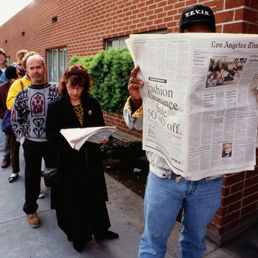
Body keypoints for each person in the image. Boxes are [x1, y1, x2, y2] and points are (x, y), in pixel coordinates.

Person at [124, 4, 224, 258]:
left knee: (195, 243)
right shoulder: (158, 70)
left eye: (204, 32)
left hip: (208, 178)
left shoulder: (223, 70)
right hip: (165, 177)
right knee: (152, 243)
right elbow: (134, 125)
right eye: (190, 33)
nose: (197, 38)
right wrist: (136, 100)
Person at [46, 65, 118, 253]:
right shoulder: (56, 106)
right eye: (71, 87)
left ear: (85, 86)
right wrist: (70, 136)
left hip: (91, 160)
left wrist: (105, 138)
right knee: (73, 200)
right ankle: (78, 236)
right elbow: (51, 135)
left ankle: (101, 229)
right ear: (65, 84)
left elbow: (100, 128)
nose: (75, 92)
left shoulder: (91, 103)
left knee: (95, 197)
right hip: (69, 163)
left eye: (79, 88)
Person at [11, 55, 60, 228]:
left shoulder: (56, 92)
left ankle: (61, 207)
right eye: (31, 68)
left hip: (52, 142)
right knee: (31, 178)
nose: (35, 71)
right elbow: (15, 120)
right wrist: (23, 139)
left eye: (38, 67)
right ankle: (30, 210)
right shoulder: (22, 95)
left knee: (56, 174)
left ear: (44, 69)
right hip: (31, 141)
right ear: (27, 70)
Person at [0, 66, 21, 182]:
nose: (20, 74)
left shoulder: (22, 84)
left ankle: (30, 171)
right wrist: (5, 117)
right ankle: (14, 171)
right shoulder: (3, 88)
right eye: (18, 72)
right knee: (12, 149)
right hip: (10, 123)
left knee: (28, 149)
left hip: (23, 123)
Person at [0, 48, 10, 168]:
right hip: (2, 103)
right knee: (4, 130)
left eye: (1, 55)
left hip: (12, 104)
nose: (0, 58)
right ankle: (6, 156)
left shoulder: (11, 69)